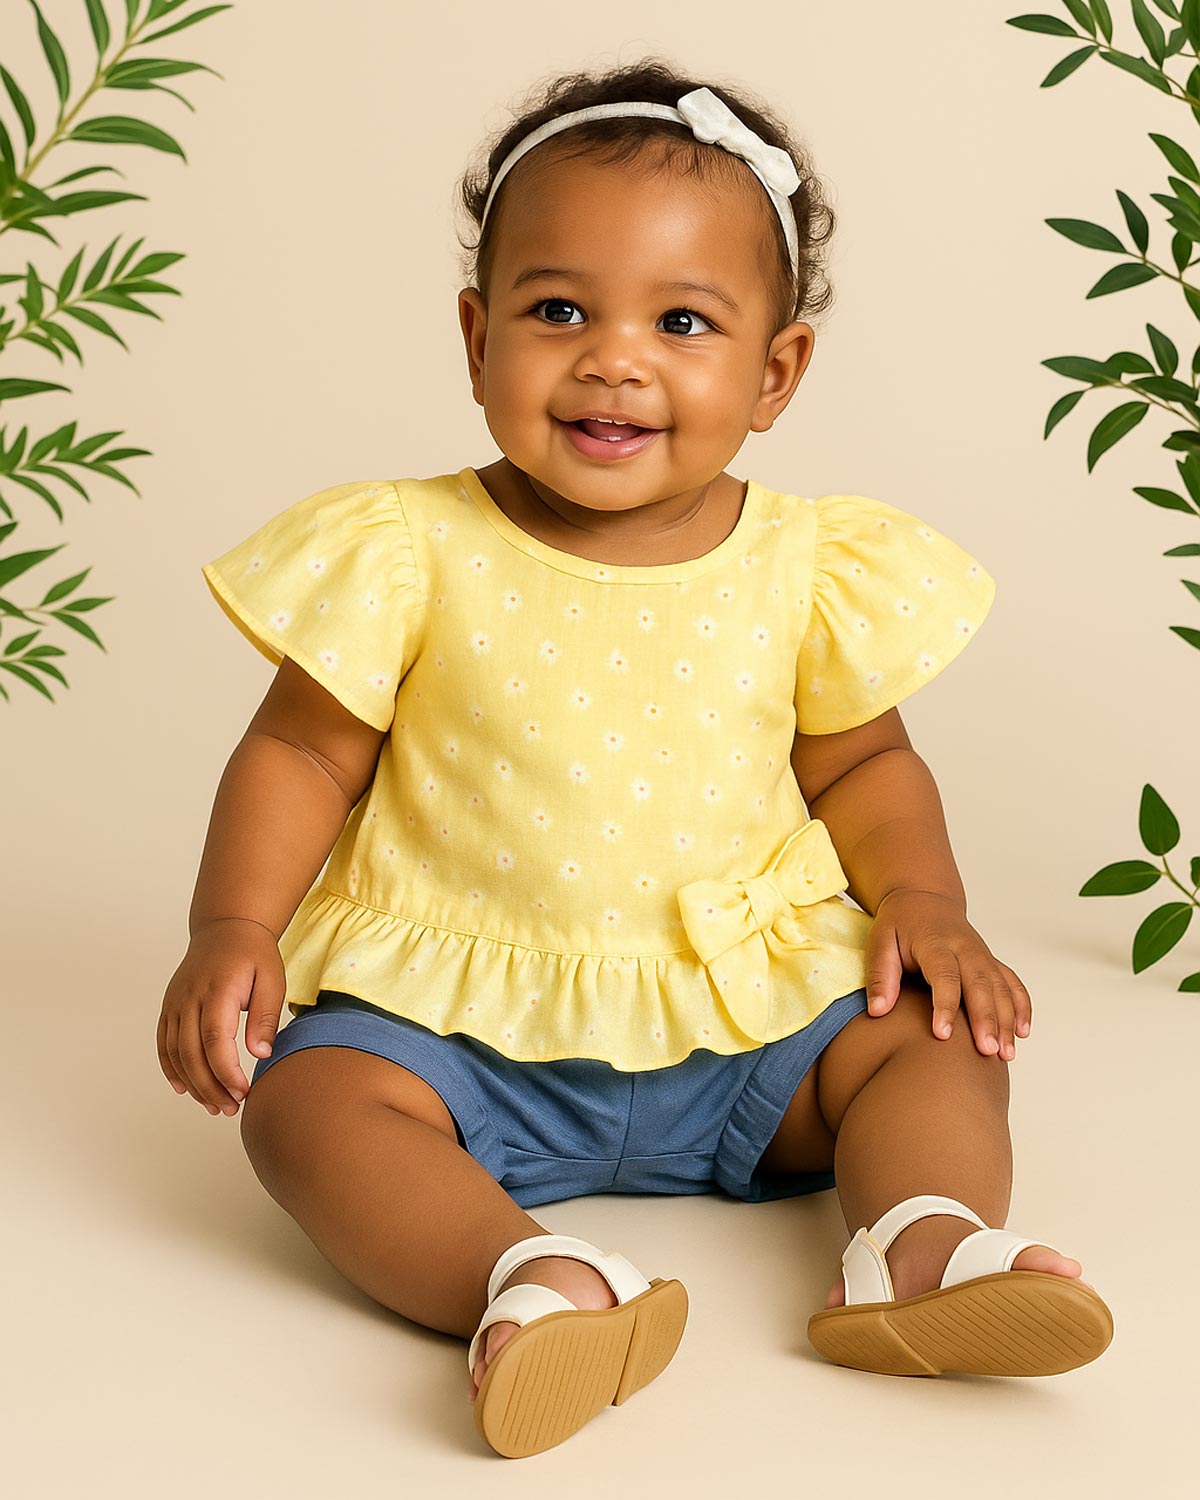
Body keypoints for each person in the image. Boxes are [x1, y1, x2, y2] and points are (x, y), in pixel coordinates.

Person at [157, 56, 1114, 1461]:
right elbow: (302, 753)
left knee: (928, 1039)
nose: (614, 358)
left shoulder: (806, 566)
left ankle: (919, 1240)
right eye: (558, 312)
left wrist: (926, 905)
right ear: (476, 335)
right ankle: (528, 1280)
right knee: (306, 1109)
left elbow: (867, 770)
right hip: (456, 1038)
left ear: (775, 371)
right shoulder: (407, 549)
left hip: (753, 1027)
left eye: (682, 321)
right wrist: (230, 926)